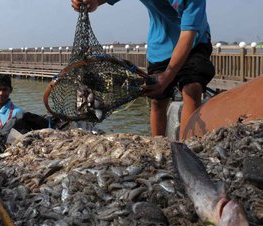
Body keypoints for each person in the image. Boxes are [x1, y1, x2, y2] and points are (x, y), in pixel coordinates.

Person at [71, 0, 215, 139]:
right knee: (158, 100)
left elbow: (188, 35)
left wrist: (168, 76)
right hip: (160, 46)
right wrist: (93, 1)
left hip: (194, 42)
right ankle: (158, 146)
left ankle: (188, 147)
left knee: (192, 89)